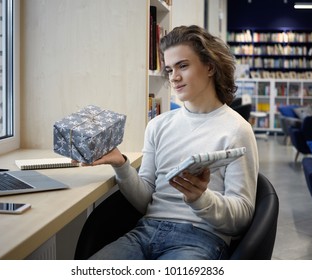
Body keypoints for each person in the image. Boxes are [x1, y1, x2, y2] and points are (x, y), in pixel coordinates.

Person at [84, 25, 259, 260]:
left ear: (209, 66)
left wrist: (200, 198)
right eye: (169, 69)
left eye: (183, 66)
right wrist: (121, 164)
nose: (174, 77)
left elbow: (241, 219)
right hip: (145, 232)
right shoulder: (158, 125)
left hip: (201, 239)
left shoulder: (237, 129)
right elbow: (146, 201)